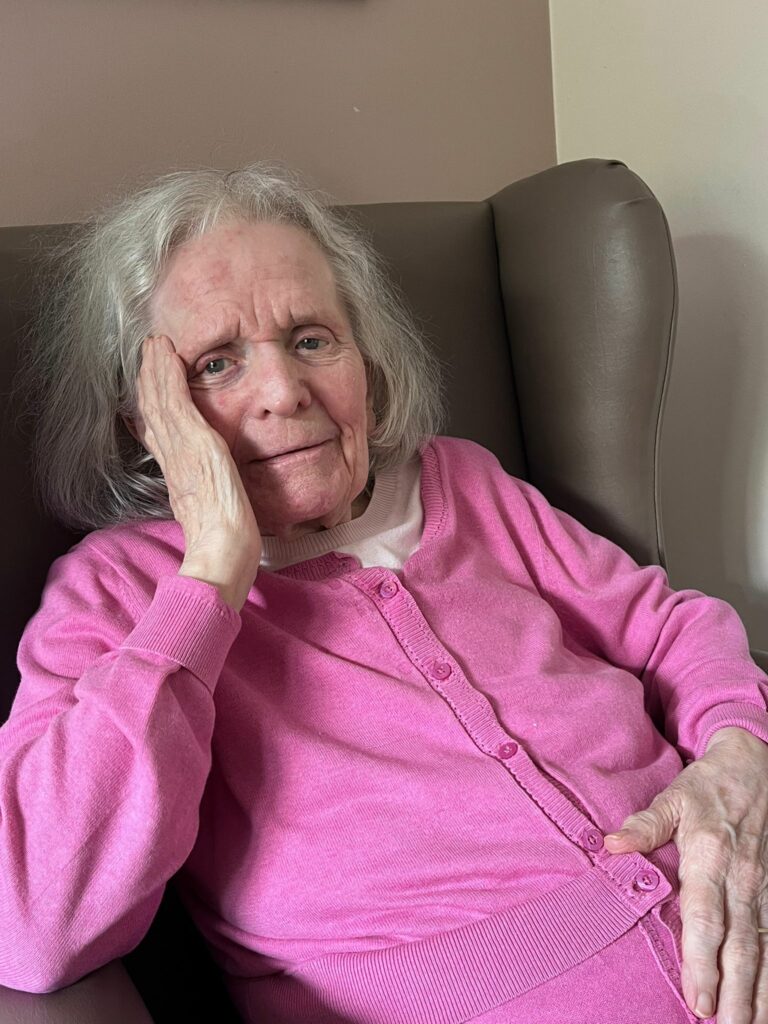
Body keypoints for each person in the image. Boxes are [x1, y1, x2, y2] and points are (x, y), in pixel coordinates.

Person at [1, 163, 767, 1024]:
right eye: (216, 363)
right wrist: (212, 570)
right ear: (149, 418)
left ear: (365, 361)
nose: (283, 391)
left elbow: (670, 628)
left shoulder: (465, 483)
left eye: (311, 340)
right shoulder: (120, 591)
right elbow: (36, 921)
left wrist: (738, 755)